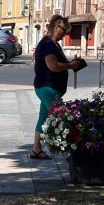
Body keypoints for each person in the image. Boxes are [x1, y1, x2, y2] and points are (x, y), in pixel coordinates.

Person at [30, 14, 84, 160]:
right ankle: (72, 150)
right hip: (48, 87)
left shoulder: (53, 44)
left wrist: (72, 63)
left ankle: (36, 149)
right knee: (63, 117)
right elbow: (53, 66)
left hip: (49, 87)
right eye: (64, 29)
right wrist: (70, 65)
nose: (66, 33)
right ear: (55, 27)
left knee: (43, 118)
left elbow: (58, 63)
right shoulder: (48, 44)